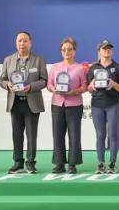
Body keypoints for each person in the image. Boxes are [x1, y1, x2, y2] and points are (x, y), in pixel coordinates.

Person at [0, 31, 48, 174]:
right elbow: (2, 80)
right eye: (20, 41)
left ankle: (30, 162)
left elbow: (44, 80)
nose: (22, 43)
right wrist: (7, 85)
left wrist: (31, 87)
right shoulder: (8, 60)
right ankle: (18, 162)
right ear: (16, 43)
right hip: (15, 102)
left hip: (31, 101)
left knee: (31, 135)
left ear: (30, 43)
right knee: (16, 134)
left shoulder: (38, 60)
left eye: (25, 41)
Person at [87, 40, 119, 174]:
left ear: (112, 51)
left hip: (113, 104)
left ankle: (112, 163)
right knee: (100, 134)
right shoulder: (93, 68)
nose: (107, 50)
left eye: (109, 48)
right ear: (99, 51)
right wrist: (91, 86)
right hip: (97, 105)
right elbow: (88, 88)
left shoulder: (118, 68)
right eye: (104, 49)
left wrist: (114, 84)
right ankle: (100, 163)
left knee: (113, 134)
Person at [47, 37, 86, 174]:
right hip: (57, 104)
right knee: (57, 134)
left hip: (74, 104)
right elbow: (49, 84)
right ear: (61, 51)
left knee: (74, 135)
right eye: (64, 49)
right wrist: (53, 89)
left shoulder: (80, 68)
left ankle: (72, 164)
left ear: (74, 51)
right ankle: (59, 164)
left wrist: (74, 91)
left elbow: (84, 86)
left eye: (69, 49)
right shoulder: (55, 67)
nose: (66, 52)